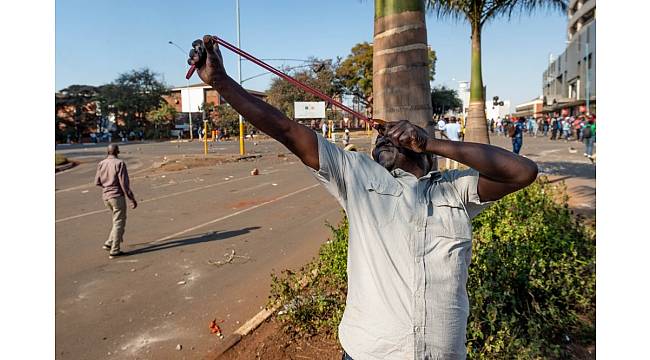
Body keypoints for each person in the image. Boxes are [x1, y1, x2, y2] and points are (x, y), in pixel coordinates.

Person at [188, 36, 538, 360]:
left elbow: (523, 172)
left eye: (395, 134)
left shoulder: (455, 190)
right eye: (379, 140)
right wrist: (221, 82)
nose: (382, 139)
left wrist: (431, 141)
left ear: (423, 151)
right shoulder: (357, 177)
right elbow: (284, 128)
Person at [94, 144, 137, 258]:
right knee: (119, 222)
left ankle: (109, 243)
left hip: (106, 196)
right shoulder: (119, 163)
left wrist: (107, 187)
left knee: (116, 220)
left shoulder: (101, 163)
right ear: (117, 151)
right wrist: (131, 198)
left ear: (108, 152)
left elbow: (97, 182)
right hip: (117, 196)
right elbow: (124, 184)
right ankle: (115, 250)